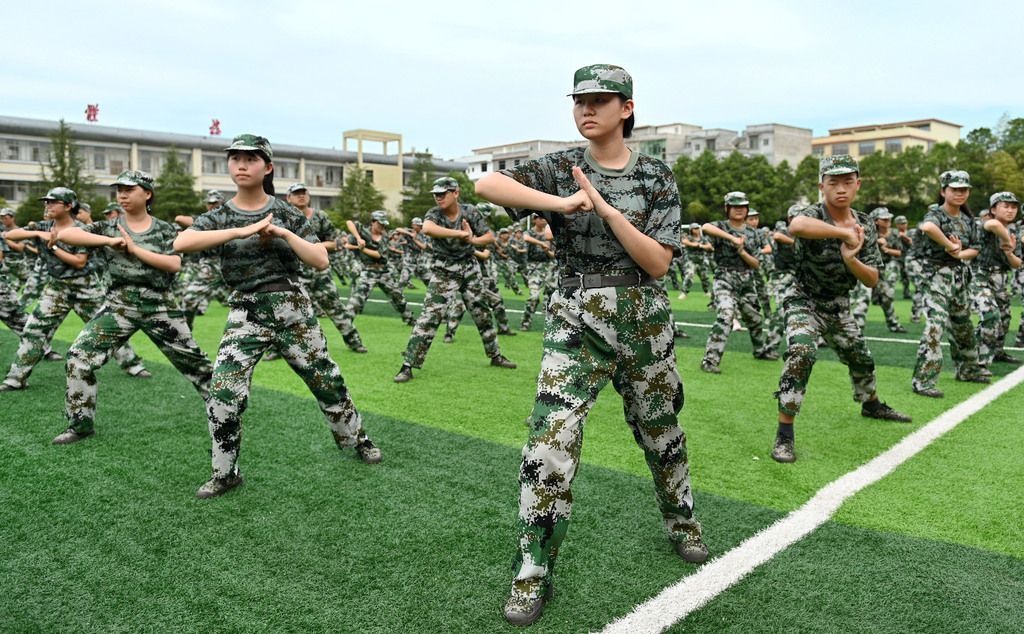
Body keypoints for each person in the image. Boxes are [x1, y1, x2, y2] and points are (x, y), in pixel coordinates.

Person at [476, 63, 707, 627]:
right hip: (576, 318)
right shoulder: (560, 168)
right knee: (548, 444)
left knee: (661, 433)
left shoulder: (655, 176)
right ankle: (533, 571)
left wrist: (606, 211)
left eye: (600, 100)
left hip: (643, 316)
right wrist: (559, 204)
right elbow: (486, 185)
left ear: (626, 109)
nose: (587, 109)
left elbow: (658, 262)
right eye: (580, 100)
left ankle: (682, 522)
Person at [173, 134, 381, 499]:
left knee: (326, 380)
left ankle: (357, 438)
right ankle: (225, 473)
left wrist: (283, 232)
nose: (241, 165)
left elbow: (320, 260)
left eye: (251, 159)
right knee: (223, 390)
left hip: (290, 307)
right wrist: (239, 230)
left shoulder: (287, 213)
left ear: (267, 167)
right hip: (246, 312)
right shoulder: (219, 216)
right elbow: (181, 243)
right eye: (235, 158)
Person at [49, 170, 213, 444]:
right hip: (119, 306)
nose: (122, 195)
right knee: (78, 357)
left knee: (199, 367)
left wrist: (135, 250)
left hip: (159, 305)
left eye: (129, 189)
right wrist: (108, 241)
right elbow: (68, 234)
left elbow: (174, 264)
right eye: (119, 190)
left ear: (147, 194)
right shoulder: (108, 227)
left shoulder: (164, 229)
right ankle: (80, 424)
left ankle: (227, 412)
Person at [773, 155, 911, 463]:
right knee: (802, 352)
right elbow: (797, 226)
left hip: (838, 305)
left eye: (848, 182)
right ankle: (785, 433)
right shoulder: (812, 213)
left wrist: (851, 260)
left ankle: (871, 404)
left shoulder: (866, 224)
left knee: (861, 358)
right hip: (804, 300)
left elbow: (872, 279)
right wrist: (844, 234)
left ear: (858, 185)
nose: (840, 189)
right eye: (833, 182)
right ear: (821, 186)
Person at [0, 187, 149, 392]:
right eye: (46, 202)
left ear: (68, 206)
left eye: (53, 202)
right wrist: (38, 233)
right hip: (56, 289)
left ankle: (133, 365)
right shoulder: (44, 226)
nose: (48, 205)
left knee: (107, 330)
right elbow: (10, 234)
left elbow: (79, 262)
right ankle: (16, 377)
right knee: (34, 331)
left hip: (85, 288)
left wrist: (54, 246)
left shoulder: (82, 230)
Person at [393, 177, 516, 383]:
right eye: (436, 194)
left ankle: (495, 355)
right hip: (444, 270)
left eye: (443, 194)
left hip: (469, 268)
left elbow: (489, 237)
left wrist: (472, 239)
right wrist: (460, 234)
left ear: (455, 193)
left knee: (482, 314)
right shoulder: (434, 214)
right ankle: (408, 365)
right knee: (429, 317)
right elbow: (428, 229)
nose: (438, 198)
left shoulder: (470, 212)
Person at [911, 170, 987, 398]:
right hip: (936, 276)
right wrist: (949, 245)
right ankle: (923, 381)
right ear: (943, 191)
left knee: (963, 325)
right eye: (954, 189)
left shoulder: (969, 220)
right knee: (936, 325)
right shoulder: (937, 214)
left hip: (959, 277)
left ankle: (968, 370)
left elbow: (976, 248)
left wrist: (960, 254)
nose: (960, 193)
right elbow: (928, 228)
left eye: (964, 190)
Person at [284, 183, 366, 354]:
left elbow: (335, 242)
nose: (301, 196)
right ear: (288, 198)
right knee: (288, 310)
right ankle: (278, 349)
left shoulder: (320, 216)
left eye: (304, 193)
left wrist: (311, 247)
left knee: (335, 307)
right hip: (294, 273)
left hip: (320, 272)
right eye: (297, 193)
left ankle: (354, 341)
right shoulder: (283, 218)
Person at [700, 191, 776, 373]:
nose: (739, 210)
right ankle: (710, 360)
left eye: (742, 206)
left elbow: (756, 263)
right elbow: (706, 227)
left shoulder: (754, 233)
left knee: (755, 318)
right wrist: (732, 238)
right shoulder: (721, 227)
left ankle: (760, 350)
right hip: (724, 278)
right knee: (726, 314)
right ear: (727, 208)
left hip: (746, 280)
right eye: (734, 206)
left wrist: (741, 251)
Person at [973, 192, 1022, 372]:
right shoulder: (985, 224)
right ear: (993, 209)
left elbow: (1017, 263)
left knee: (1004, 317)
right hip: (980, 277)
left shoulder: (1015, 231)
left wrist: (1009, 252)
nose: (1010, 210)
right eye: (1005, 206)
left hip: (1000, 280)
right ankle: (978, 361)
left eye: (1014, 207)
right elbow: (994, 225)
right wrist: (1006, 240)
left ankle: (998, 352)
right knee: (990, 315)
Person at [344, 211, 416, 325]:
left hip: (384, 272)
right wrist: (358, 238)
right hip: (368, 271)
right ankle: (346, 322)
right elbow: (349, 223)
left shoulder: (385, 236)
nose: (382, 226)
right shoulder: (363, 231)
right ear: (373, 222)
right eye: (379, 223)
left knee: (397, 297)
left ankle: (409, 318)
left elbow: (378, 255)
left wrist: (362, 249)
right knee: (357, 298)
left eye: (384, 224)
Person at [176, 190, 231, 327]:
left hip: (233, 264)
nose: (212, 206)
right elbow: (179, 218)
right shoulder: (204, 220)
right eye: (209, 203)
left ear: (222, 203)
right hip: (210, 267)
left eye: (215, 203)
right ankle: (186, 333)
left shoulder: (231, 218)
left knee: (248, 301)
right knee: (189, 299)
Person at [518, 215, 558, 331]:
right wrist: (541, 243)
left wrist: (547, 251)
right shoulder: (529, 232)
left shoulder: (550, 234)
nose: (542, 220)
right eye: (539, 218)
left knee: (552, 296)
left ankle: (551, 326)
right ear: (534, 220)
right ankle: (525, 322)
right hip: (533, 267)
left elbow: (554, 255)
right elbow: (525, 238)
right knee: (534, 296)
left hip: (549, 267)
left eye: (544, 218)